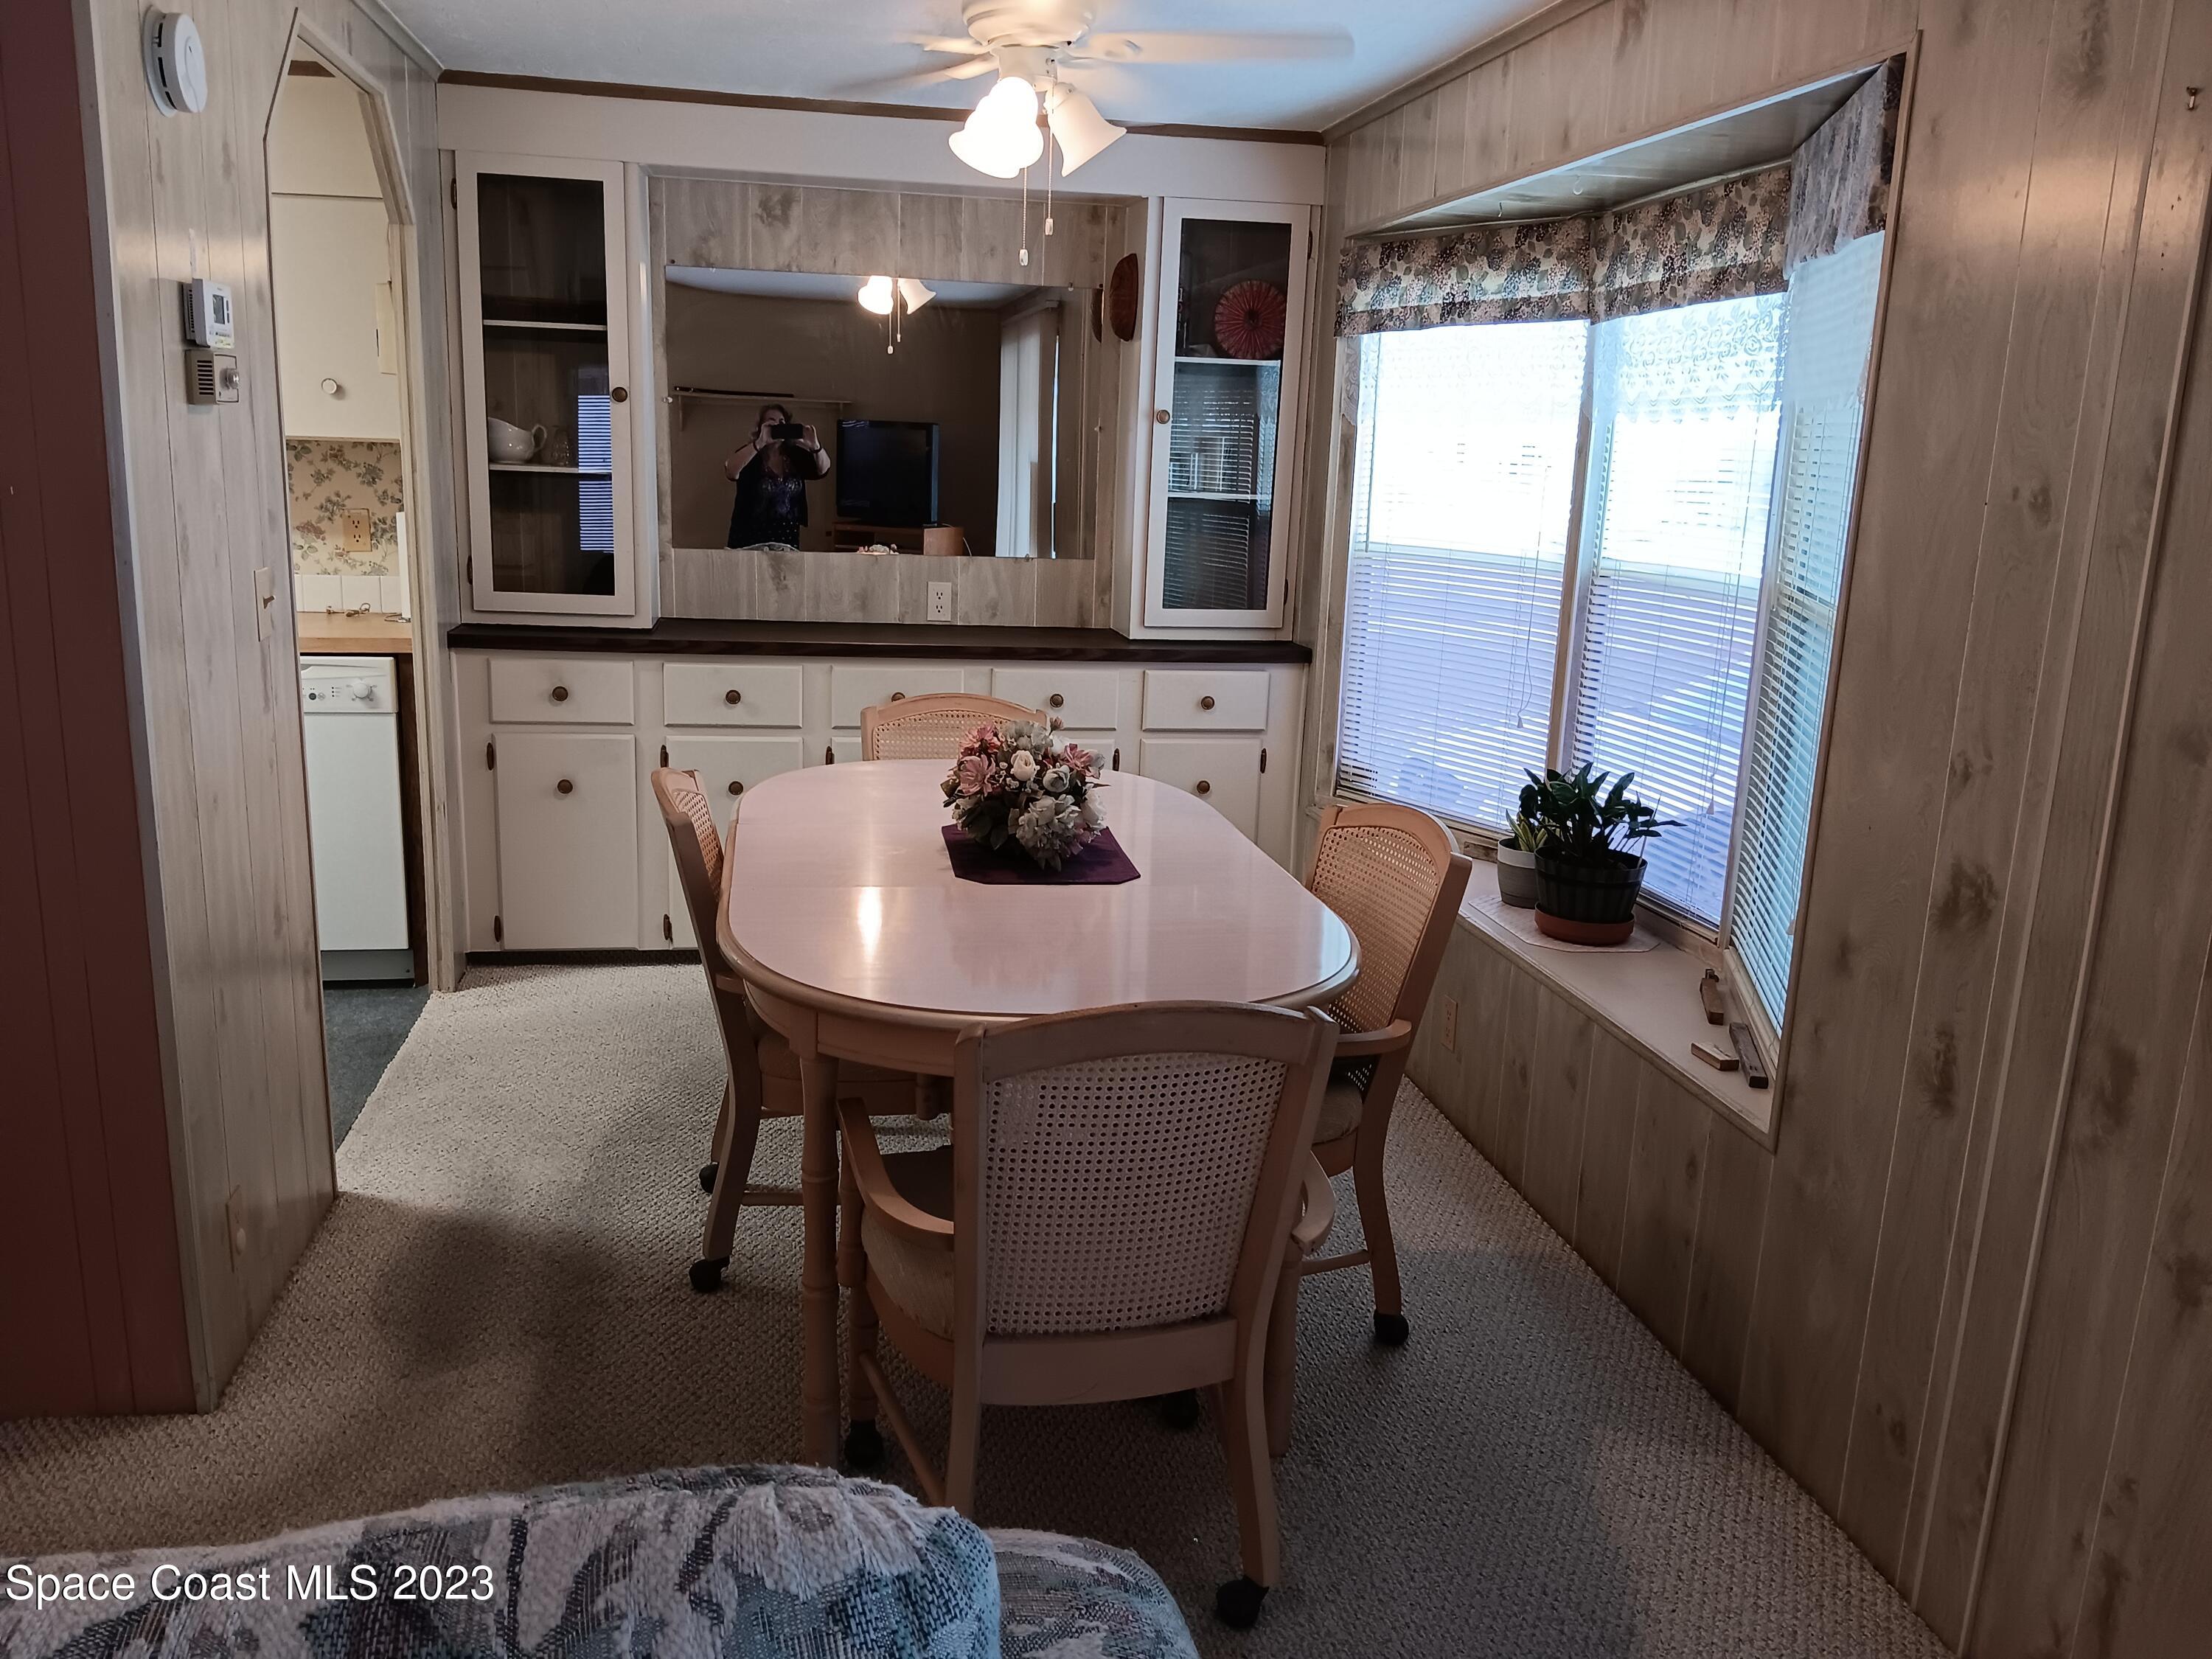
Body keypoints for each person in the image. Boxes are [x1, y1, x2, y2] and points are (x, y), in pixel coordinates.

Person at [724, 403, 830, 548]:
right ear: (762, 427)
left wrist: (815, 446)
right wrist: (760, 443)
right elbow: (730, 471)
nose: (777, 425)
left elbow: (823, 469)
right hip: (749, 541)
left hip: (787, 541)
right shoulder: (752, 455)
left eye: (781, 422)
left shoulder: (794, 455)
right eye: (771, 421)